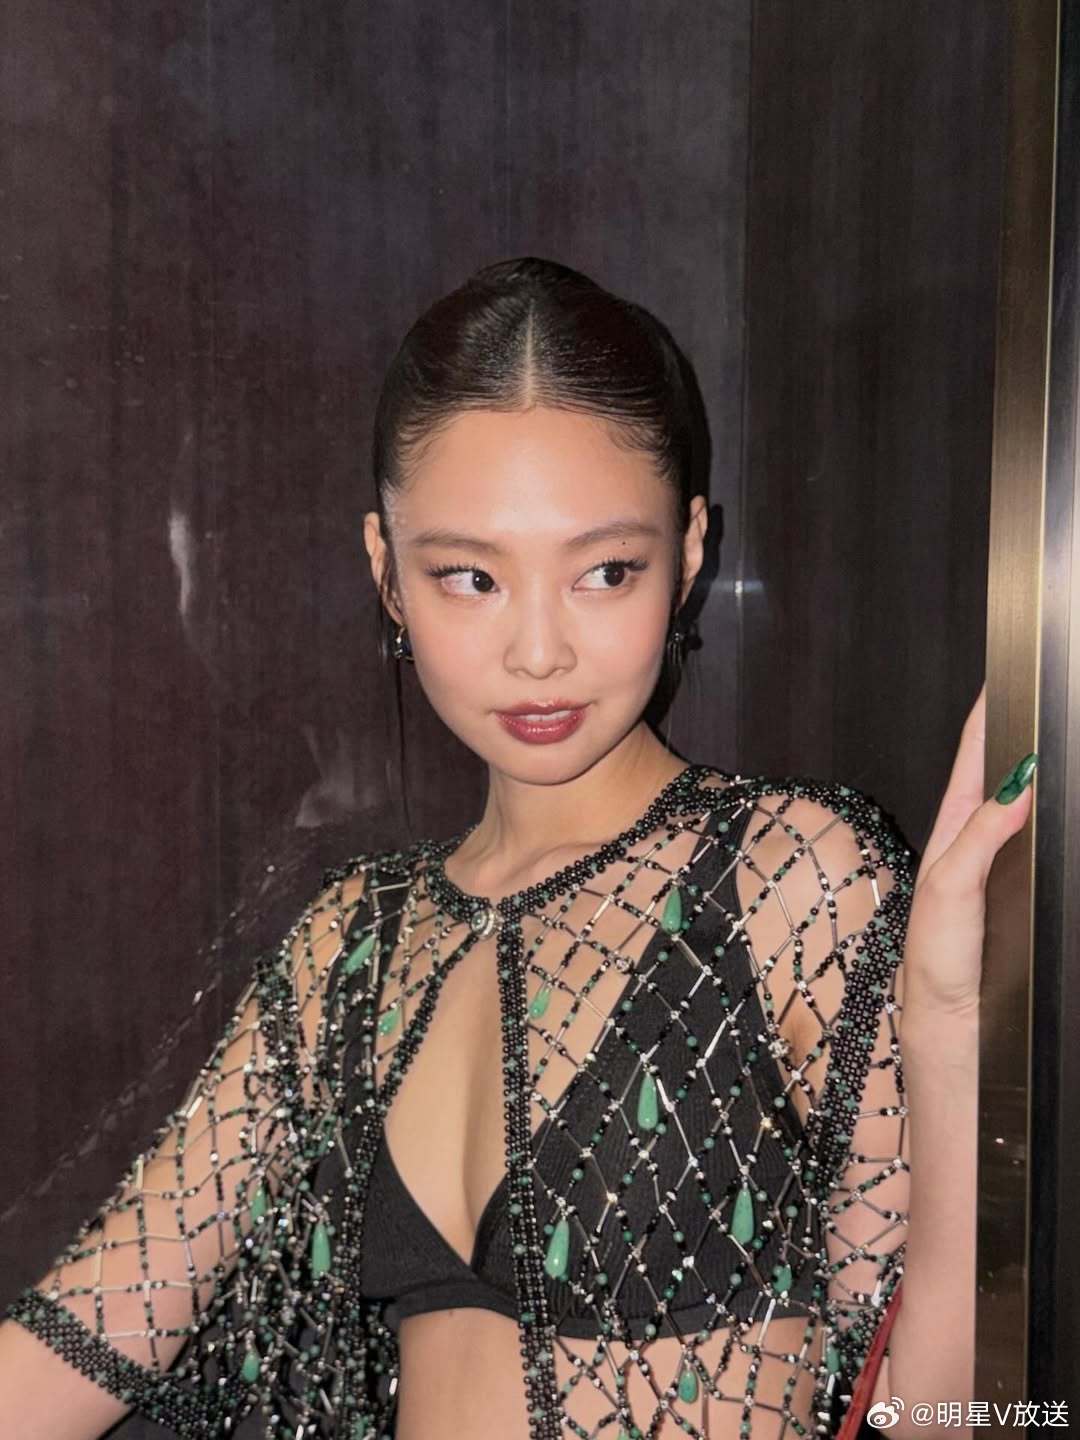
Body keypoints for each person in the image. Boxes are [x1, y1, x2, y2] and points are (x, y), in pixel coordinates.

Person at [0, 257, 1036, 1440]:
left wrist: (945, 1020)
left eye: (606, 571)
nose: (539, 651)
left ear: (691, 552)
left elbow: (944, 1411)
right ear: (387, 572)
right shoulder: (351, 946)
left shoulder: (785, 877)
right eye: (470, 577)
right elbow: (79, 1337)